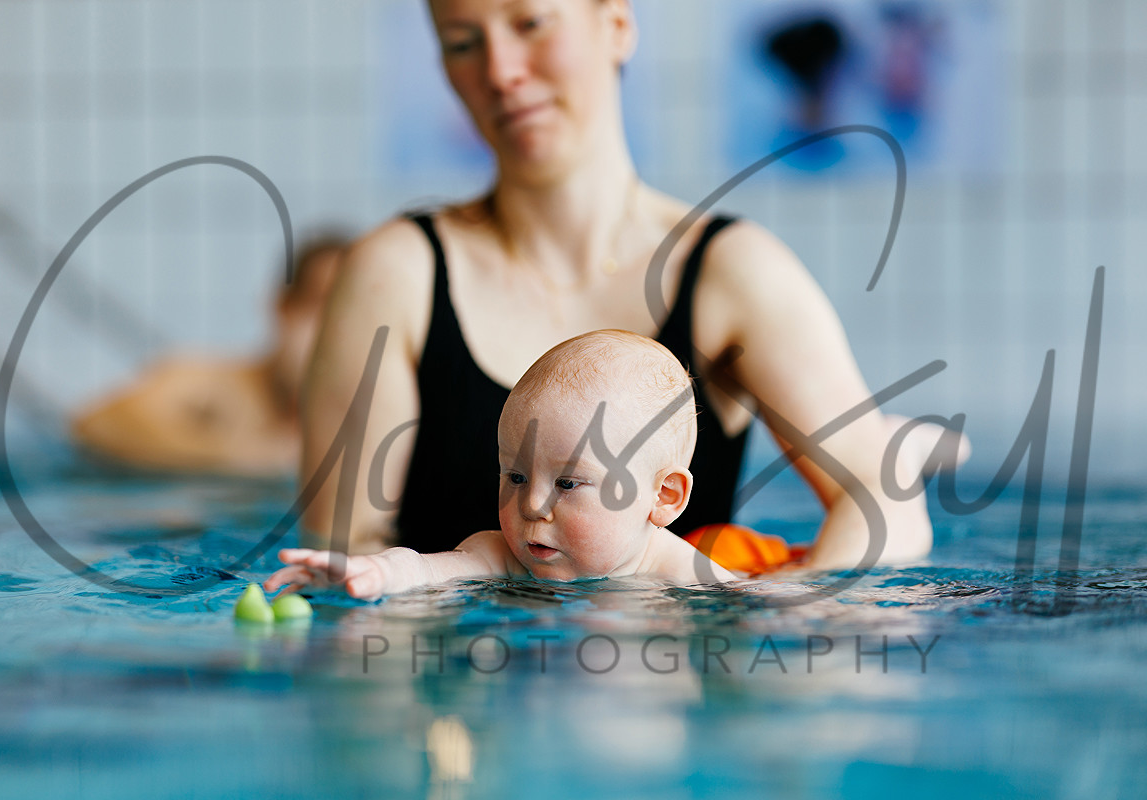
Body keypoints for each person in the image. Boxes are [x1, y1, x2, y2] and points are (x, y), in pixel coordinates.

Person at [301, 0, 964, 569]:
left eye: (530, 24)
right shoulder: (395, 274)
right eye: (462, 42)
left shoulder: (734, 274)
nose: (500, 71)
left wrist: (779, 605)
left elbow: (883, 507)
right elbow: (345, 551)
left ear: (616, 24)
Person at [267, 330, 739, 600]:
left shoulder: (687, 575)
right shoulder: (502, 557)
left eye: (567, 483)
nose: (532, 504)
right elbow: (425, 570)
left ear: (664, 497)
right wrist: (371, 573)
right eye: (515, 476)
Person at [71, 235, 349, 477]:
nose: (333, 333)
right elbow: (99, 424)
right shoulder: (212, 383)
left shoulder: (354, 419)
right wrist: (238, 458)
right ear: (284, 307)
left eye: (347, 318)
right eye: (320, 307)